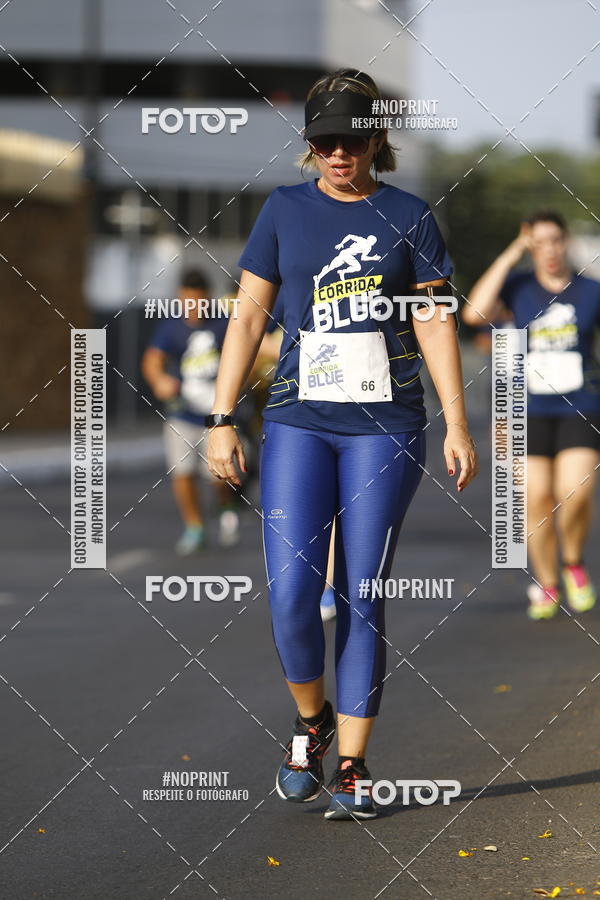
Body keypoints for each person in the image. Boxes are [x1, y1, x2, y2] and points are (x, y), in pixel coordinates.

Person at [206, 69, 478, 820]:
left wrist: (457, 421)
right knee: (293, 591)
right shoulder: (284, 210)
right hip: (298, 419)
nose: (338, 154)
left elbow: (433, 322)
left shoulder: (410, 215)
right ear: (309, 146)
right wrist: (221, 417)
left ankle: (353, 764)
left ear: (376, 140)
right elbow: (249, 318)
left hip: (386, 426)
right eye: (323, 141)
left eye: (352, 140)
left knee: (362, 592)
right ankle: (310, 721)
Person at [464, 211, 600, 619]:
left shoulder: (590, 291)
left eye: (555, 240)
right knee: (536, 500)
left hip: (581, 405)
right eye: (538, 243)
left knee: (573, 495)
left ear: (566, 242)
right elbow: (473, 313)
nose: (550, 250)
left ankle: (573, 561)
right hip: (523, 411)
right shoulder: (518, 286)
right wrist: (512, 252)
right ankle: (548, 581)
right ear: (531, 248)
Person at [141, 269, 240, 554]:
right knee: (182, 473)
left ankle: (227, 504)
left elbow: (244, 353)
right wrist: (159, 380)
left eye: (198, 301)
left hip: (216, 417)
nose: (193, 307)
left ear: (207, 298)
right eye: (187, 301)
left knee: (218, 477)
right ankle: (195, 527)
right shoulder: (171, 327)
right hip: (182, 414)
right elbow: (151, 360)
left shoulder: (223, 324)